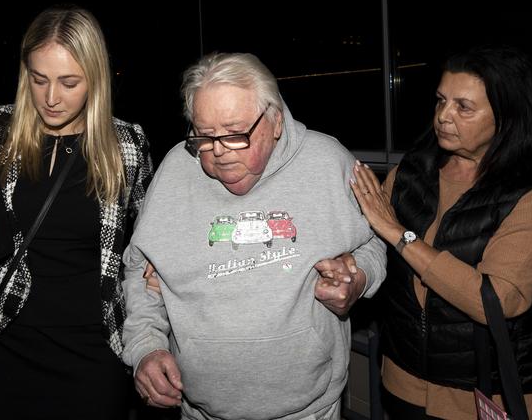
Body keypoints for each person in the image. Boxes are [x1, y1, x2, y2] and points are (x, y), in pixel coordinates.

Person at [122, 52, 387, 420]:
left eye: (235, 134)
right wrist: (146, 348)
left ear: (276, 120)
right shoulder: (174, 174)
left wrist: (358, 277)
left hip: (310, 411)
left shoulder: (329, 163)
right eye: (204, 136)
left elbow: (374, 240)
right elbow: (140, 272)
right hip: (202, 412)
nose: (219, 153)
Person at [0, 6, 153, 419]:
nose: (51, 97)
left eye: (69, 83)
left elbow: (148, 241)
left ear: (95, 78)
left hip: (94, 353)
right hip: (2, 343)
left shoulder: (127, 146)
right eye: (38, 79)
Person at [350, 45, 532, 419]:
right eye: (441, 100)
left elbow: (495, 299)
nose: (443, 117)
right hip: (403, 381)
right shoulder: (415, 169)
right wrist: (346, 267)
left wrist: (400, 235)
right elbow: (369, 239)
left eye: (464, 107)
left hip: (488, 397)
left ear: (507, 115)